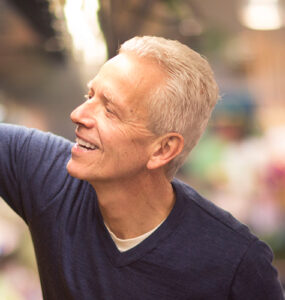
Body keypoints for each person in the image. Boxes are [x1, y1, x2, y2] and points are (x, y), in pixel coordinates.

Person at [0, 36, 283, 299]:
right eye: (90, 96)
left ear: (163, 149)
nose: (77, 115)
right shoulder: (48, 175)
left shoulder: (234, 263)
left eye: (109, 109)